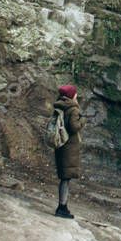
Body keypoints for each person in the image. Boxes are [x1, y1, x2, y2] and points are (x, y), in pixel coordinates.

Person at [53, 84, 84, 219]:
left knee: (64, 177)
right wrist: (83, 120)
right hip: (69, 149)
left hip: (60, 146)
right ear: (72, 95)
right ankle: (62, 207)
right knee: (66, 178)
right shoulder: (73, 109)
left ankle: (62, 206)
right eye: (75, 93)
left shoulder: (59, 106)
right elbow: (74, 127)